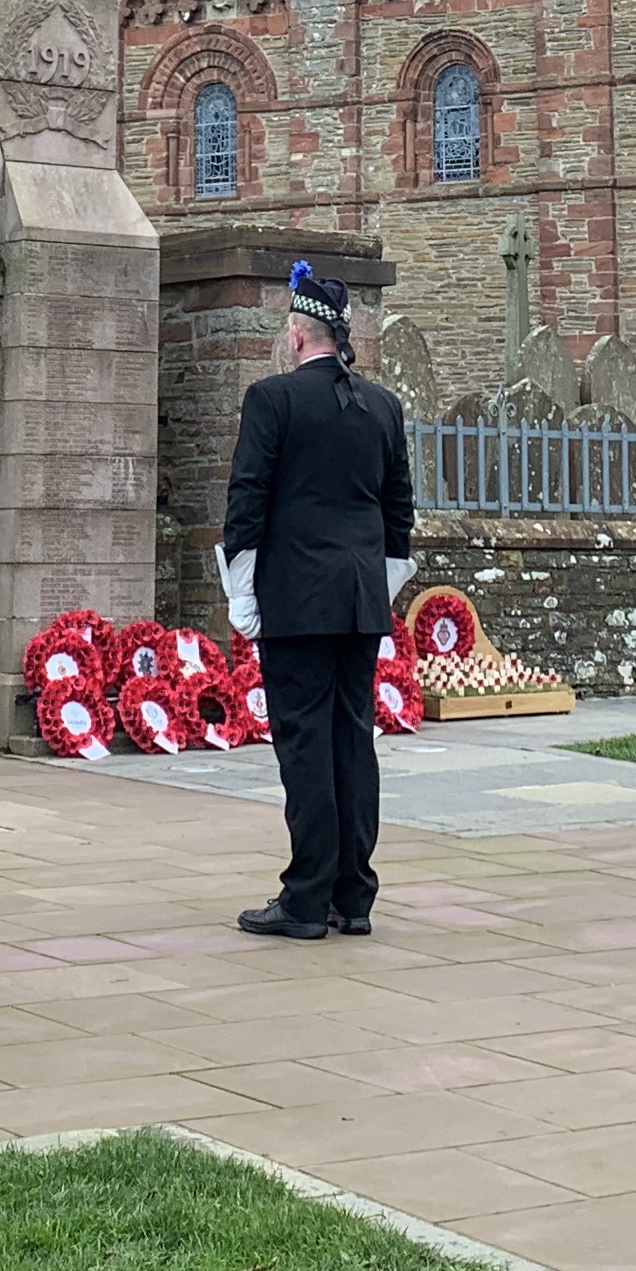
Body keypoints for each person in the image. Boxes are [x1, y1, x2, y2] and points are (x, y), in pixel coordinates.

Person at [221, 263, 413, 941]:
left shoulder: (271, 399)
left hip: (297, 601)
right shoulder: (383, 407)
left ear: (298, 335)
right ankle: (353, 895)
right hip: (360, 602)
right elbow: (398, 513)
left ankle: (306, 899)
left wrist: (242, 595)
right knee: (351, 741)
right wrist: (380, 589)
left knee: (305, 746)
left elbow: (246, 500)